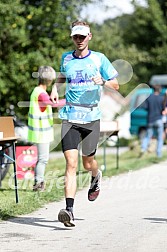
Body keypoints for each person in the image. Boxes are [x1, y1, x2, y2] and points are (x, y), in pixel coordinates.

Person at [50, 20, 119, 227]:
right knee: (71, 163)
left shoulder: (99, 59)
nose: (79, 40)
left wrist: (104, 82)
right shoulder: (66, 58)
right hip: (70, 116)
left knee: (88, 163)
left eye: (82, 36)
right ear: (72, 37)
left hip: (91, 118)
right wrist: (55, 88)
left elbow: (116, 84)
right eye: (75, 37)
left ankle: (96, 176)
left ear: (89, 36)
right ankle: (69, 210)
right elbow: (62, 76)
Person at [28, 66, 65, 191]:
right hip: (41, 132)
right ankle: (38, 183)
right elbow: (53, 103)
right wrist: (69, 100)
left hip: (38, 131)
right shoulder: (41, 94)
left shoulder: (36, 91)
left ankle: (38, 182)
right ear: (49, 80)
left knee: (41, 158)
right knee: (43, 159)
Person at [140, 85, 164, 158]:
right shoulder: (162, 98)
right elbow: (164, 108)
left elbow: (144, 107)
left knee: (148, 136)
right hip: (159, 119)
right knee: (160, 137)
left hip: (150, 120)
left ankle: (143, 149)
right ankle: (158, 153)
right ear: (159, 90)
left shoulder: (149, 97)